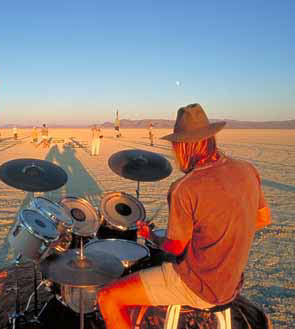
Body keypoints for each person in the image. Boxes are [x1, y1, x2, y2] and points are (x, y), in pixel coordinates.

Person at [97, 104, 272, 329]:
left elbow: (175, 247)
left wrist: (152, 236)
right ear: (210, 137)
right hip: (232, 283)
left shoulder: (185, 188)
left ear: (182, 146)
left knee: (109, 297)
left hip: (198, 285)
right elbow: (262, 219)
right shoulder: (247, 170)